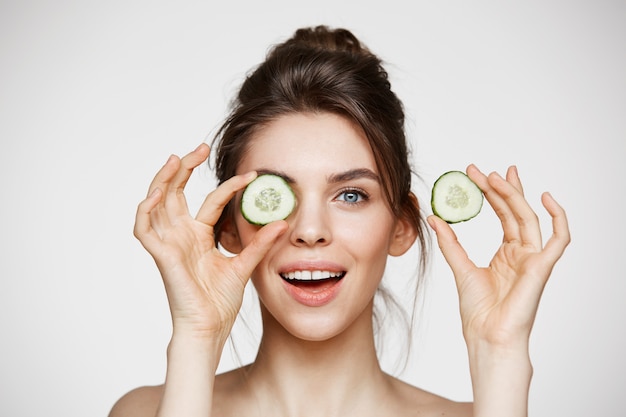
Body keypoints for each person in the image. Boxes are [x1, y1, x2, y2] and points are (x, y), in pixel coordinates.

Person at [109, 25, 570, 417]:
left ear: (401, 225)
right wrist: (197, 336)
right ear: (228, 226)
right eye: (275, 197)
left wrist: (500, 353)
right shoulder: (147, 410)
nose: (311, 230)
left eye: (351, 195)